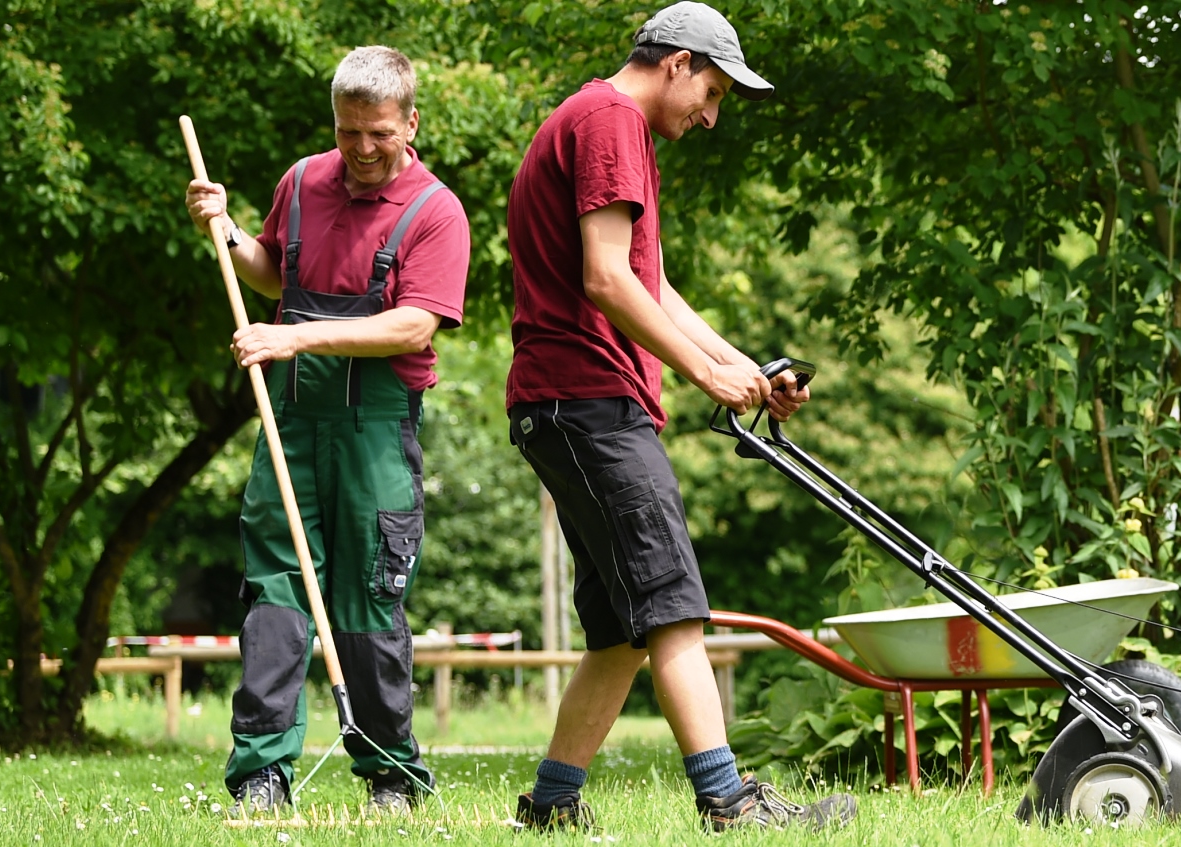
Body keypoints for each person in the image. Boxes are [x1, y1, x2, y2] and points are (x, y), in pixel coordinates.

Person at [501, 2, 854, 832]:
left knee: (626, 628)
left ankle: (550, 807)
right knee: (672, 605)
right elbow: (606, 281)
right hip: (586, 400)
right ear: (677, 62)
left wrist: (743, 369)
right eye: (714, 92)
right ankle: (728, 802)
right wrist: (701, 375)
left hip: (569, 403)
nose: (711, 115)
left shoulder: (598, 120)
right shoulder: (611, 121)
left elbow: (649, 282)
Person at [184, 45, 466, 814]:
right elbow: (276, 273)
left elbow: (415, 325)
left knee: (370, 594)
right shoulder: (302, 182)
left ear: (410, 122)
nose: (365, 150)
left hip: (375, 430)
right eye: (350, 133)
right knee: (275, 591)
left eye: (380, 133)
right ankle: (261, 774)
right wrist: (229, 230)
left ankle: (389, 776)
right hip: (293, 420)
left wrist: (295, 339)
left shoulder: (436, 210)